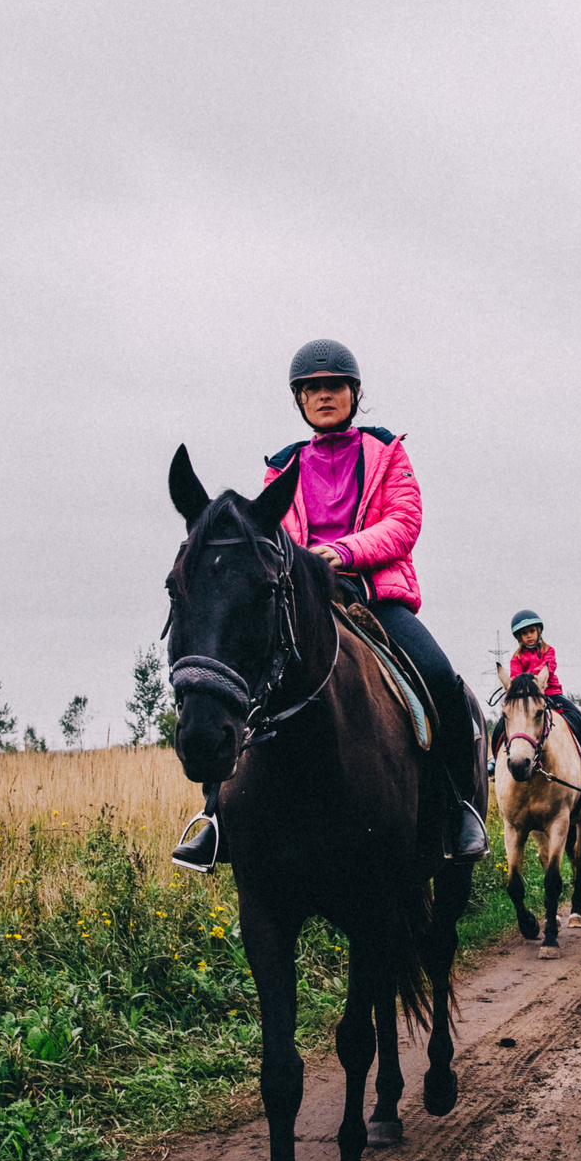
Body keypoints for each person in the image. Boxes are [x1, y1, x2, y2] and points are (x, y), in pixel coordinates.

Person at [170, 339, 489, 872]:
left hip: (376, 597)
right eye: (311, 388)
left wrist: (337, 554)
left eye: (333, 386)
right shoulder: (283, 466)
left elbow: (403, 522)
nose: (323, 396)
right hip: (306, 602)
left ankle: (456, 809)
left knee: (441, 680)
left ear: (354, 393)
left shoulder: (387, 451)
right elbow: (272, 535)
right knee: (239, 682)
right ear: (299, 399)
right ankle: (217, 819)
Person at [492, 609, 581, 770]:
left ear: (539, 631)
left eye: (532, 631)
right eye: (524, 633)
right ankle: (495, 758)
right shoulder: (516, 658)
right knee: (503, 724)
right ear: (519, 637)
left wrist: (532, 677)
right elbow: (517, 678)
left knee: (577, 715)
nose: (529, 635)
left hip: (552, 693)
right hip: (528, 699)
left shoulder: (548, 651)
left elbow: (549, 666)